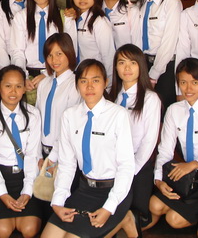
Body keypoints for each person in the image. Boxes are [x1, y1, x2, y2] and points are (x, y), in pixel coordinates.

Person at [42, 59, 135, 238]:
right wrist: (58, 202)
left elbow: (126, 166)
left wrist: (109, 207)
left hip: (113, 191)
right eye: (83, 81)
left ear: (105, 82)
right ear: (77, 85)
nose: (89, 86)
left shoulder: (118, 115)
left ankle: (123, 218)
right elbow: (67, 164)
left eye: (96, 80)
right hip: (85, 190)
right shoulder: (70, 116)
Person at [148, 58, 198, 230]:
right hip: (186, 176)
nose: (188, 89)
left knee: (173, 219)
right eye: (183, 82)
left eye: (194, 82)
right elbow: (165, 151)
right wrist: (159, 180)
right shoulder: (174, 110)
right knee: (155, 205)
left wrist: (195, 164)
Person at [110, 44, 161, 232]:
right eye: (121, 62)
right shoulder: (112, 96)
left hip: (137, 167)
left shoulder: (150, 99)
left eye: (133, 63)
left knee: (135, 218)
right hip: (113, 165)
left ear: (141, 66)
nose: (127, 68)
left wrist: (131, 171)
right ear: (115, 67)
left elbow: (149, 141)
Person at [0, 65, 43, 238]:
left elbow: (33, 155)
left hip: (26, 176)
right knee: (3, 231)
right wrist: (2, 194)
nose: (13, 91)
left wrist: (27, 191)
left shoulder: (33, 114)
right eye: (8, 86)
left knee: (29, 229)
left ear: (24, 88)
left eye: (18, 86)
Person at [131, 0, 182, 111]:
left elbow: (169, 42)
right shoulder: (140, 4)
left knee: (163, 111)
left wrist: (154, 74)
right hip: (144, 64)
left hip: (165, 67)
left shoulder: (171, 2)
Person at [10, 0, 64, 93]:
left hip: (56, 75)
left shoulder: (64, 17)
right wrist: (23, 77)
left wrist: (47, 74)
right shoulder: (21, 17)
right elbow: (17, 51)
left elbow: (69, 52)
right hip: (29, 78)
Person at [34, 33, 81, 164]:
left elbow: (71, 126)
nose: (54, 60)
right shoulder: (44, 83)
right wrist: (38, 155)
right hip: (42, 152)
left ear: (69, 53)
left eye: (59, 54)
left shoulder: (75, 85)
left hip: (64, 152)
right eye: (50, 55)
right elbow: (37, 120)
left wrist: (53, 157)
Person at [64, 0, 114, 83]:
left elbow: (108, 57)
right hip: (74, 77)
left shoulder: (100, 22)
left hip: (94, 78)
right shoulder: (72, 19)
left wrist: (108, 85)